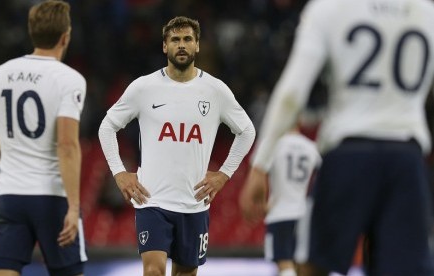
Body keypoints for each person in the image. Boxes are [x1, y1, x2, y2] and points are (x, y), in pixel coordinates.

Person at [240, 0, 434, 275]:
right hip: (406, 159)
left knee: (308, 267)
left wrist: (261, 163)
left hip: (348, 154)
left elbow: (292, 94)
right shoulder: (426, 12)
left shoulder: (329, 9)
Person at [98, 16, 255, 276]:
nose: (181, 45)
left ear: (197, 46)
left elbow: (247, 131)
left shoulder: (215, 90)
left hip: (194, 203)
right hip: (152, 200)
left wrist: (224, 175)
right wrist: (119, 172)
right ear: (164, 46)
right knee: (154, 271)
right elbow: (107, 126)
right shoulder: (144, 87)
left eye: (187, 39)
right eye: (175, 40)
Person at [0, 1, 87, 275]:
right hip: (52, 197)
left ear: (32, 32)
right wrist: (74, 208)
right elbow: (67, 145)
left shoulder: (1, 73)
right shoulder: (70, 79)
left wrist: (15, 164)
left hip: (9, 195)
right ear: (66, 36)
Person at [240, 125, 321, 276]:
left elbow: (259, 178)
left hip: (280, 212)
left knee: (283, 263)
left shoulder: (272, 145)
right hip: (304, 212)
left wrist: (262, 203)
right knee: (300, 265)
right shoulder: (310, 146)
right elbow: (324, 175)